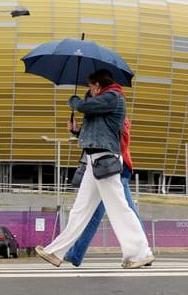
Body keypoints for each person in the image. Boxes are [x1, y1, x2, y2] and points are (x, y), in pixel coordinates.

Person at [35, 69, 154, 269]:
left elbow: (83, 106)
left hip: (105, 160)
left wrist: (75, 102)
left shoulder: (114, 97)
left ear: (98, 83)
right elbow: (95, 132)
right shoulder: (101, 104)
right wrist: (76, 131)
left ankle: (141, 252)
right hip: (93, 160)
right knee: (79, 210)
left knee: (119, 209)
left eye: (90, 85)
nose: (88, 88)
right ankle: (55, 251)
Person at [63, 87, 147, 267]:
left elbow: (115, 139)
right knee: (124, 211)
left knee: (117, 212)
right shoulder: (105, 116)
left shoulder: (116, 113)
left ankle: (141, 252)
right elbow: (96, 137)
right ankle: (142, 252)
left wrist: (78, 104)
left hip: (115, 167)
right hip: (106, 167)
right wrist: (78, 131)